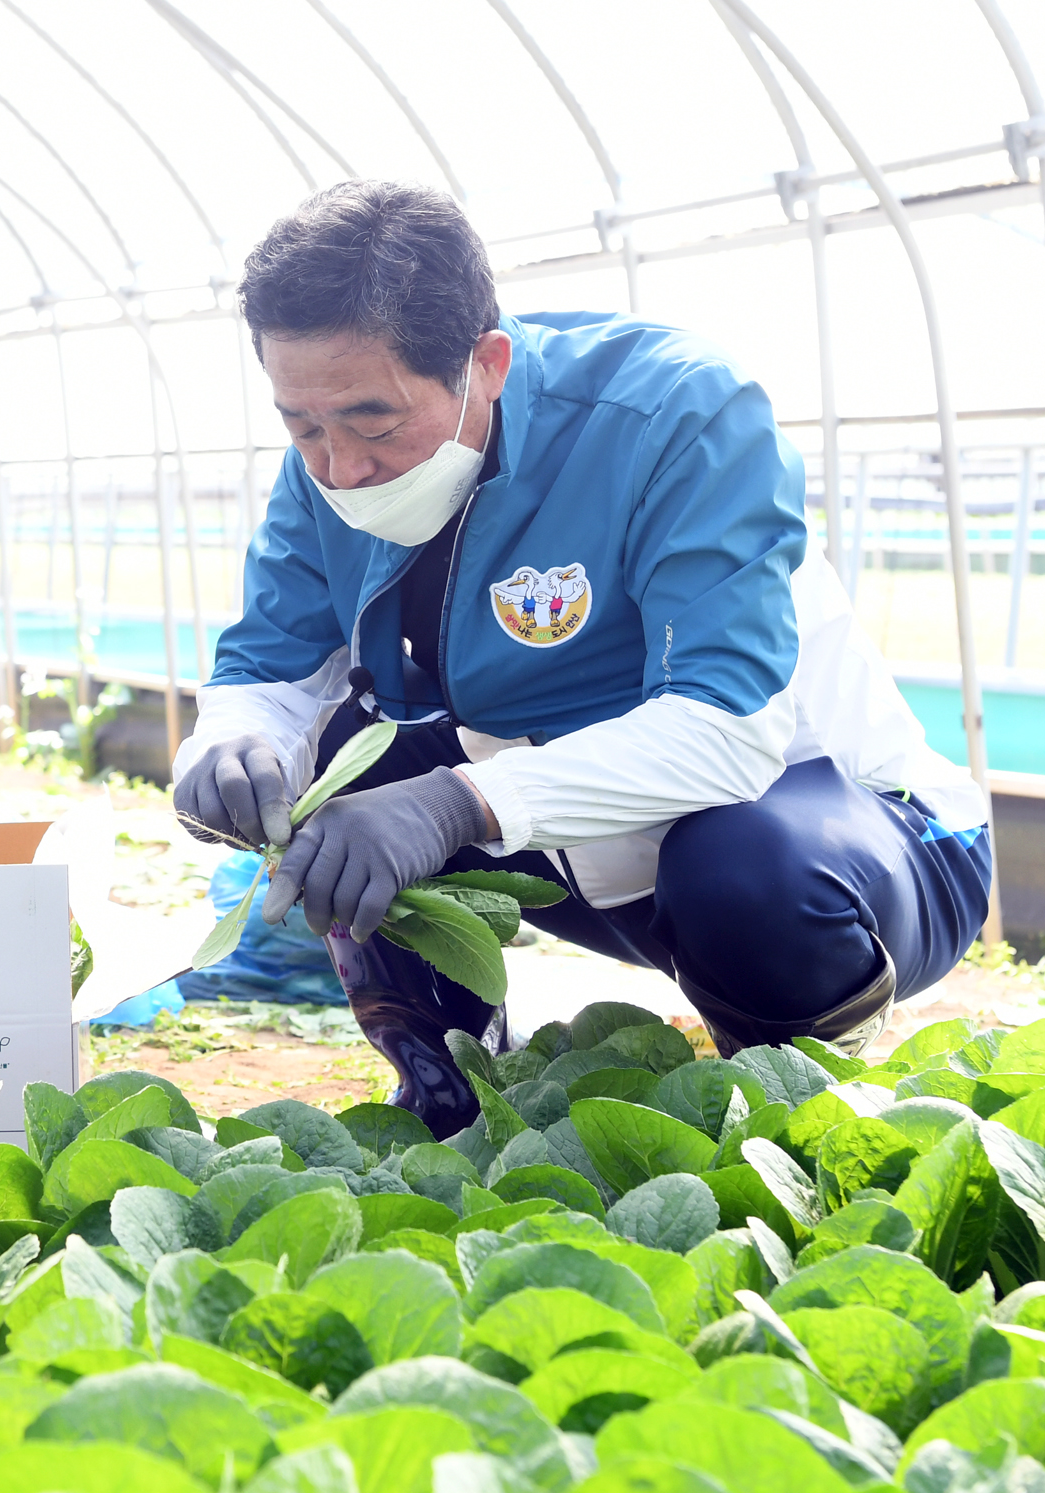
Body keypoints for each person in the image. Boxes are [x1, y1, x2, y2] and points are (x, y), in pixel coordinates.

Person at [174, 181, 991, 1135]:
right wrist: (229, 746)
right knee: (346, 770)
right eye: (300, 424)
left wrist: (454, 803)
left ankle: (794, 1115)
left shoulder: (675, 415)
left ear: (486, 363)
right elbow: (269, 672)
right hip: (582, 860)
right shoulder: (327, 460)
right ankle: (450, 1099)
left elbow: (728, 731)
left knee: (741, 869)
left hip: (846, 850)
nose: (338, 467)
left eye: (373, 423)